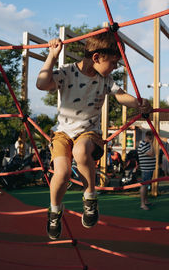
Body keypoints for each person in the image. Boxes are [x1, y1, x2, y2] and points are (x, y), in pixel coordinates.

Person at [36, 30, 152, 240]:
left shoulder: (105, 79)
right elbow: (42, 84)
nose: (115, 67)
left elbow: (121, 96)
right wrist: (52, 56)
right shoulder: (67, 72)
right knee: (61, 173)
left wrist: (139, 103)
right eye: (114, 62)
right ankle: (54, 211)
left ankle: (90, 198)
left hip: (90, 133)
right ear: (97, 57)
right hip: (63, 133)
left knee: (81, 152)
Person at [137, 130, 156, 210]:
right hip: (146, 169)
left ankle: (146, 201)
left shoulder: (147, 144)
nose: (154, 139)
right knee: (144, 186)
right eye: (153, 137)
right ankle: (142, 204)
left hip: (149, 168)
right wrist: (152, 143)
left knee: (146, 185)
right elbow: (152, 154)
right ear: (149, 137)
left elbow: (152, 153)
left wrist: (151, 144)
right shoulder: (143, 145)